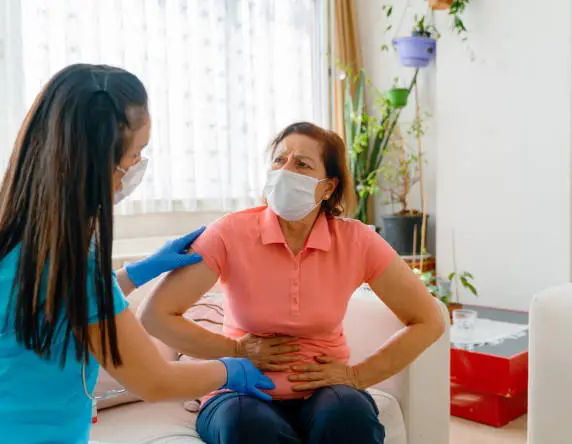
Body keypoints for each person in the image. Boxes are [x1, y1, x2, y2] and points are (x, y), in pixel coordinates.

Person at [0, 64, 273, 444]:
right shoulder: (76, 270)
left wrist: (139, 272)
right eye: (134, 155)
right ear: (92, 165)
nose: (135, 169)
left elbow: (60, 307)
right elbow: (155, 380)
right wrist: (232, 369)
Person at [139, 122, 446, 444]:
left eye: (301, 164)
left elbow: (429, 320)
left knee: (349, 417)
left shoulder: (357, 241)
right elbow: (155, 315)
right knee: (249, 426)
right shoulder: (229, 233)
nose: (285, 170)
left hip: (324, 390)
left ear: (328, 187)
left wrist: (358, 375)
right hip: (239, 391)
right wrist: (234, 349)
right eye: (279, 160)